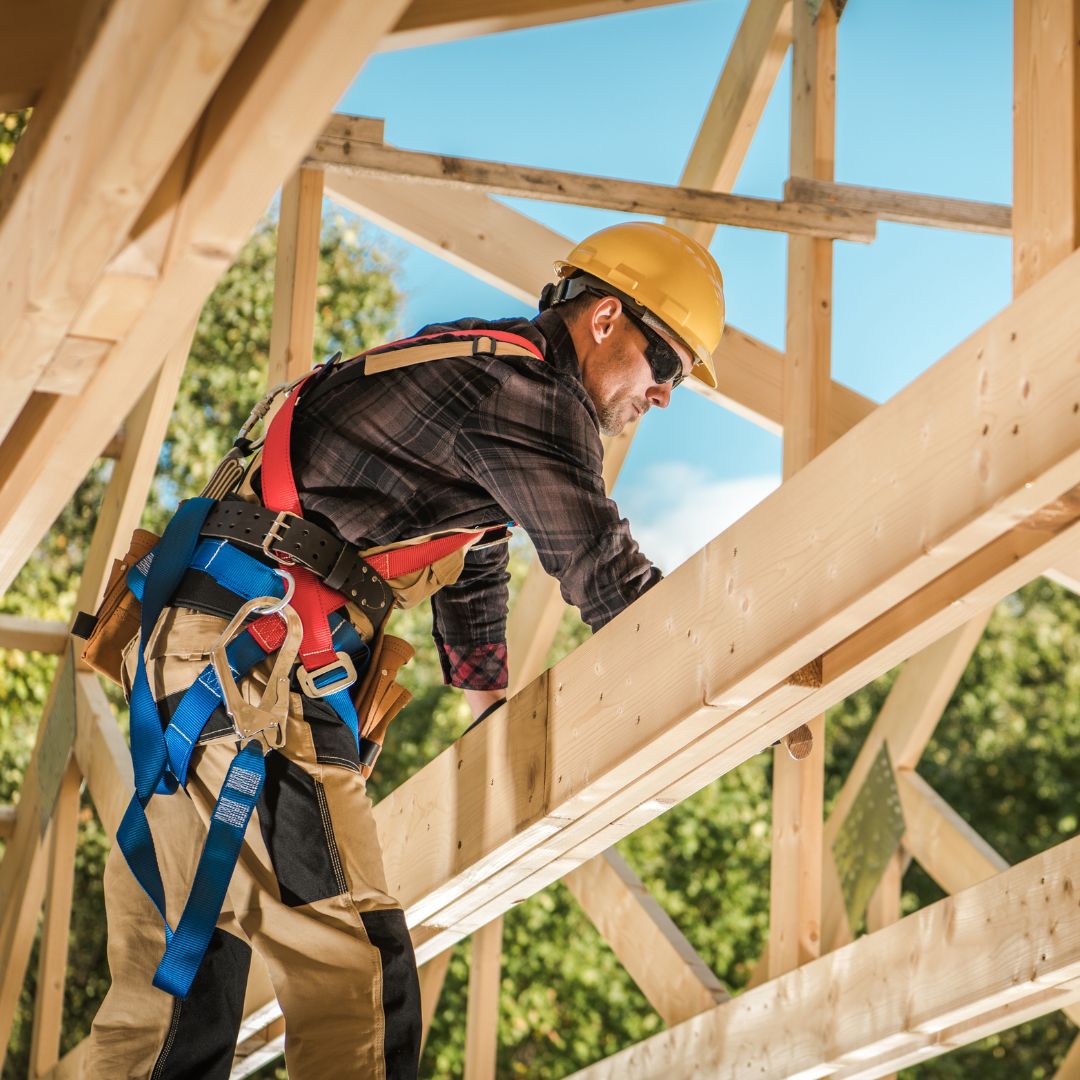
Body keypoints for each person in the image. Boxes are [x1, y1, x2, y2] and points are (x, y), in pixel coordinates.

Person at [87, 221, 725, 1078]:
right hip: (252, 675)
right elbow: (604, 574)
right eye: (669, 365)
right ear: (607, 318)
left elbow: (477, 547)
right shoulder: (532, 395)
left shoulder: (466, 363)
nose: (665, 395)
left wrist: (485, 701)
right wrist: (722, 656)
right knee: (357, 973)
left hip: (190, 664)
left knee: (177, 990)